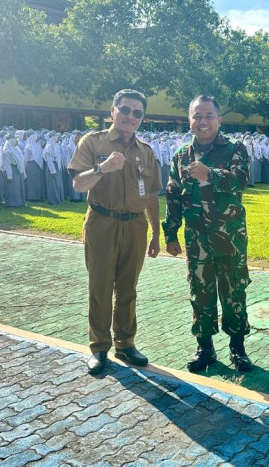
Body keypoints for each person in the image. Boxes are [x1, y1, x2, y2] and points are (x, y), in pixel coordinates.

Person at [68, 89, 161, 375]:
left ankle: (126, 344)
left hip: (135, 225)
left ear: (141, 118)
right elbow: (78, 185)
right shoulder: (93, 142)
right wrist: (102, 167)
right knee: (100, 287)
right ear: (113, 111)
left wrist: (156, 234)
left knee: (128, 288)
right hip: (102, 223)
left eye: (137, 113)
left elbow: (151, 196)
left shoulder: (145, 151)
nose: (130, 117)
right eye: (125, 110)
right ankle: (99, 347)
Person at [162, 95, 252, 373]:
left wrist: (209, 173)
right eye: (197, 116)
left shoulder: (235, 149)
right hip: (197, 239)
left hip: (230, 238)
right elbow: (173, 195)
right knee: (200, 293)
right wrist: (171, 233)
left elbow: (241, 181)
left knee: (233, 290)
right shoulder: (181, 156)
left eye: (208, 116)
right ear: (189, 120)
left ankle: (238, 348)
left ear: (218, 119)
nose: (202, 121)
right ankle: (205, 348)